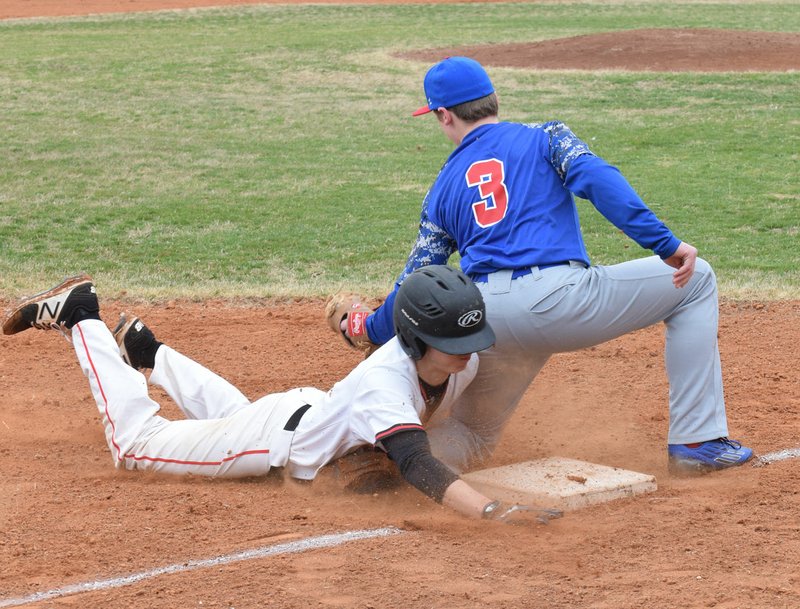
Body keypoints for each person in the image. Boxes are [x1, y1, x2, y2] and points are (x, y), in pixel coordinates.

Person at [333, 56, 753, 476]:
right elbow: (598, 179)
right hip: (560, 303)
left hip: (482, 322)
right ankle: (697, 441)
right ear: (493, 100)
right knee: (697, 278)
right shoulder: (545, 136)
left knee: (471, 433)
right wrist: (665, 244)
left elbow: (415, 284)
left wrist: (364, 327)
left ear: (444, 115)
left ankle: (395, 464)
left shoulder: (440, 189)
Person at [2, 268, 561, 524]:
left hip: (302, 413)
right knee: (135, 444)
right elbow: (417, 464)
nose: (468, 353)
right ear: (415, 339)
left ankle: (149, 352)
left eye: (471, 338)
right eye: (452, 342)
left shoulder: (455, 360)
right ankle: (82, 318)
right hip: (270, 441)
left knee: (242, 416)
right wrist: (490, 511)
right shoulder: (384, 385)